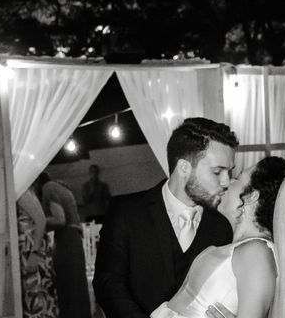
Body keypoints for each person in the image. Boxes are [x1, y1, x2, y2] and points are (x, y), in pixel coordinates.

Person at [153, 156, 285, 318]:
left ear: (252, 196)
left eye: (239, 177)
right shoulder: (242, 247)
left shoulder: (256, 252)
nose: (229, 182)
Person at [93, 117, 239, 318]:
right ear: (184, 168)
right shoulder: (126, 212)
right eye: (217, 172)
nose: (226, 182)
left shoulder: (222, 228)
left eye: (230, 172)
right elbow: (107, 283)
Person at [38, 173, 91, 318]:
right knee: (77, 285)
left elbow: (60, 219)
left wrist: (39, 221)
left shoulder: (48, 188)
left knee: (67, 285)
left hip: (66, 240)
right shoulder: (61, 187)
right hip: (74, 238)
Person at [17, 184, 59, 318]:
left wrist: (34, 253)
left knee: (36, 294)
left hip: (31, 249)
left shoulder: (21, 192)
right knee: (35, 294)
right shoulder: (22, 191)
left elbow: (40, 220)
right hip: (28, 249)